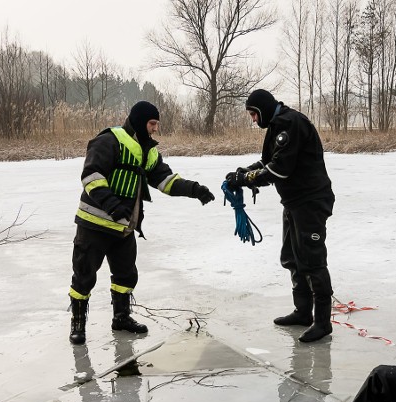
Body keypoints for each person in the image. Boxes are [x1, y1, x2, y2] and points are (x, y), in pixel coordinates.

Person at [68, 101, 215, 344]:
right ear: (139, 121)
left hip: (124, 228)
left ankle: (121, 318)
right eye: (152, 123)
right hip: (94, 225)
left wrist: (195, 189)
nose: (156, 128)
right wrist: (113, 205)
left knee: (126, 275)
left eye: (157, 123)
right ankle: (78, 323)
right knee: (84, 276)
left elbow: (165, 181)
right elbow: (91, 176)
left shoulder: (149, 151)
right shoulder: (109, 140)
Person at [225, 89, 336, 343]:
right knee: (292, 257)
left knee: (312, 260)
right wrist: (242, 172)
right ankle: (303, 312)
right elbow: (267, 161)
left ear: (262, 109)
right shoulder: (277, 126)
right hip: (294, 202)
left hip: (311, 202)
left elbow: (279, 170)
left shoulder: (291, 124)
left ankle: (322, 322)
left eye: (253, 114)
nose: (253, 119)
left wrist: (246, 179)